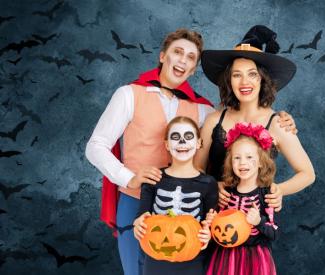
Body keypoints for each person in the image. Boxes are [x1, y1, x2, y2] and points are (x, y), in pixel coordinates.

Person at [86, 28, 295, 275]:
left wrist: (280, 118)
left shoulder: (203, 110)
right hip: (136, 201)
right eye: (177, 52)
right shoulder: (129, 94)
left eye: (191, 57)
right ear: (163, 56)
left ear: (194, 68)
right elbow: (95, 146)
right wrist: (129, 177)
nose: (183, 60)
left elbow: (238, 117)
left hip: (191, 212)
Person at [195, 25, 315, 210]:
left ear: (262, 79)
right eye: (237, 75)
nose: (245, 82)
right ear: (229, 81)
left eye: (252, 74)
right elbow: (197, 169)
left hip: (255, 219)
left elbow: (307, 173)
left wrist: (278, 190)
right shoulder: (214, 120)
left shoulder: (278, 123)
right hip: (212, 215)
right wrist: (211, 186)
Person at [133, 116, 218, 275]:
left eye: (188, 137)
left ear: (199, 143)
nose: (182, 142)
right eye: (175, 137)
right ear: (167, 144)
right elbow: (142, 215)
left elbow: (211, 221)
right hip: (155, 258)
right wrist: (138, 224)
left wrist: (209, 234)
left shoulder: (208, 183)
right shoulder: (154, 178)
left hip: (193, 259)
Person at [206, 122, 282, 275]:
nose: (242, 163)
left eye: (249, 157)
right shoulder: (226, 193)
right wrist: (211, 221)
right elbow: (217, 229)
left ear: (261, 161)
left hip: (256, 259)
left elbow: (274, 233)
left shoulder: (267, 195)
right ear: (230, 162)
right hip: (226, 257)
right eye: (237, 158)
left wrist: (259, 222)